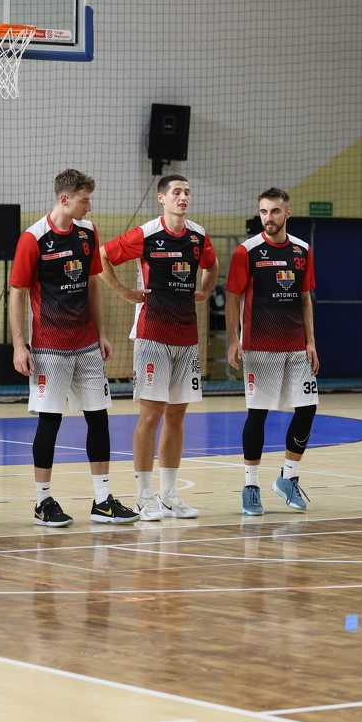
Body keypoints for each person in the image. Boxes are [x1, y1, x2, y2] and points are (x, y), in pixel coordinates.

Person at [9, 169, 138, 528]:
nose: (89, 205)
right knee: (49, 422)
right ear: (64, 199)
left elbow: (93, 283)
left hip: (87, 345)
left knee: (99, 418)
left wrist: (101, 333)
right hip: (49, 347)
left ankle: (102, 501)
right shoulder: (33, 238)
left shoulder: (88, 233)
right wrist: (20, 344)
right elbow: (17, 294)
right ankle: (43, 502)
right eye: (84, 199)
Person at [103, 175, 218, 521]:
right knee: (151, 415)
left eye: (187, 192)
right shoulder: (146, 233)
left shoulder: (198, 235)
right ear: (162, 198)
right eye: (177, 192)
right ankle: (143, 496)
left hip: (187, 336)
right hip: (152, 333)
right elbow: (102, 256)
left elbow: (211, 265)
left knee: (176, 416)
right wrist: (124, 292)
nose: (183, 197)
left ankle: (169, 495)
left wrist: (205, 290)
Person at [225, 188, 318, 516]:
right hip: (259, 346)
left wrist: (311, 341)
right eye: (264, 211)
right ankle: (250, 487)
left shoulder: (303, 250)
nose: (269, 217)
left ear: (287, 213)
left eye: (275, 211)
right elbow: (233, 297)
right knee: (258, 414)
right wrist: (234, 339)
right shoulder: (247, 251)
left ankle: (288, 478)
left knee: (307, 409)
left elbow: (305, 299)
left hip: (296, 345)